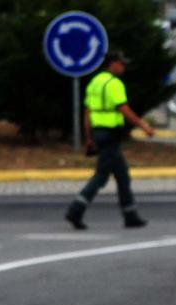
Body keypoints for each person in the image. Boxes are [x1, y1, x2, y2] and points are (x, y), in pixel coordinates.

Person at [65, 52, 155, 230]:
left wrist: (89, 138)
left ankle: (130, 214)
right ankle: (76, 209)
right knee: (101, 176)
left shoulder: (95, 83)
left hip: (99, 132)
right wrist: (143, 125)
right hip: (111, 134)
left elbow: (87, 113)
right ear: (112, 64)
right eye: (121, 64)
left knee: (122, 175)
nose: (123, 67)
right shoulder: (114, 84)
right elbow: (123, 109)